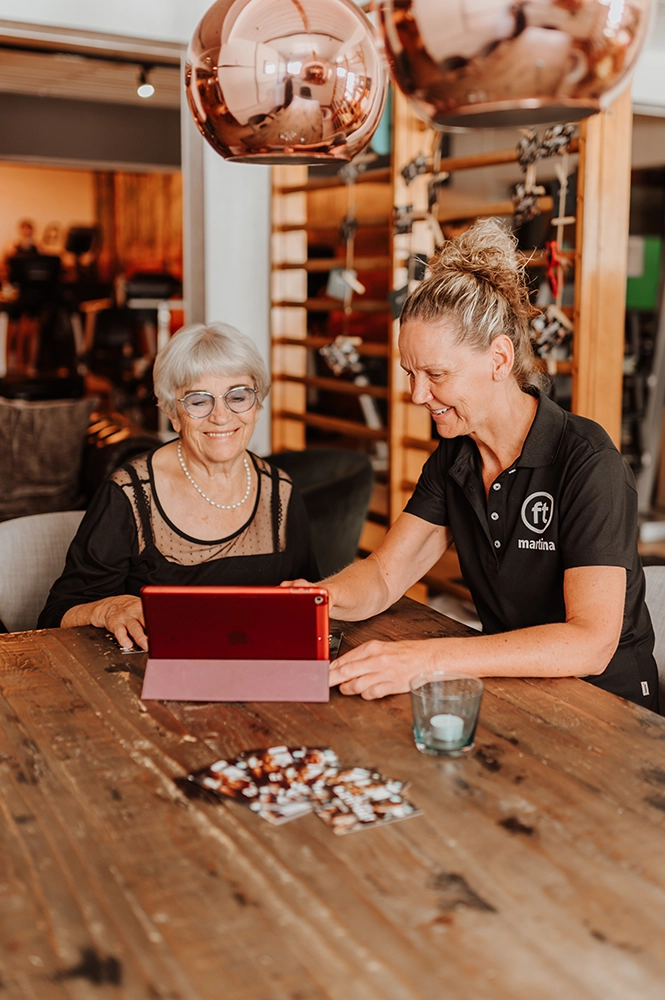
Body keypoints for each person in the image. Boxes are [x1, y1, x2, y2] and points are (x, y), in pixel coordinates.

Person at [293, 219, 658, 711]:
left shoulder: (587, 463)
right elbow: (383, 576)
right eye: (411, 374)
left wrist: (426, 659)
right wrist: (317, 599)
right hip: (516, 687)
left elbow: (590, 643)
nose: (418, 395)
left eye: (436, 374)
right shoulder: (454, 458)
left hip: (609, 707)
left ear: (499, 359)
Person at [38, 322, 319, 649]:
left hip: (261, 673)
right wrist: (107, 607)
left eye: (238, 396)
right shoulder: (129, 494)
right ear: (174, 414)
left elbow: (309, 602)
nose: (221, 416)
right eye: (199, 401)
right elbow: (55, 614)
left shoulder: (280, 492)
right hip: (150, 680)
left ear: (256, 406)